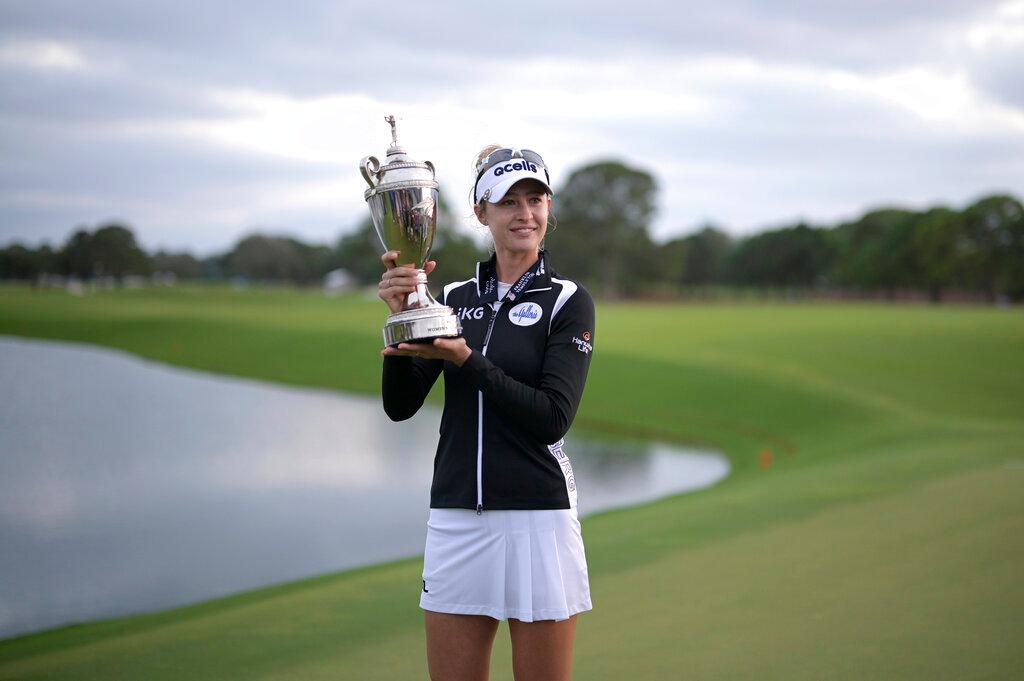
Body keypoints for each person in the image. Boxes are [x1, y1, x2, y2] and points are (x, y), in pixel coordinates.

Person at [377, 145, 596, 681]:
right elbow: (399, 407)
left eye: (535, 199)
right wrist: (401, 320)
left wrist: (467, 359)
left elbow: (552, 418)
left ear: (549, 209)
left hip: (539, 519)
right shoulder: (450, 297)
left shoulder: (568, 301)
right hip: (456, 519)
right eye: (508, 202)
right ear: (482, 212)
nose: (524, 213)